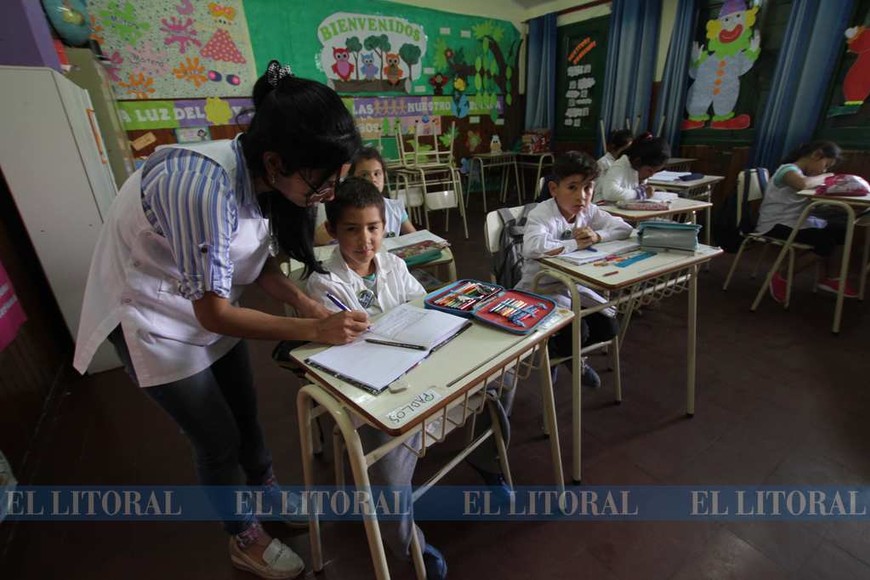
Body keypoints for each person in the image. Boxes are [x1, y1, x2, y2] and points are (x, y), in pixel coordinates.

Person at [72, 60, 370, 580]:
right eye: (321, 184)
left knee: (247, 416)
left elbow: (254, 264)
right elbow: (215, 312)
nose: (325, 195)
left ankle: (267, 496)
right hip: (153, 317)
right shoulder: (200, 188)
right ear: (276, 162)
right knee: (216, 438)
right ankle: (243, 535)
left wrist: (308, 305)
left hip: (209, 305)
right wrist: (312, 330)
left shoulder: (257, 174)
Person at [305, 177, 447, 580]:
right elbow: (351, 343)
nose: (365, 240)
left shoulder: (395, 265)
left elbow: (421, 306)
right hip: (366, 387)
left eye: (373, 228)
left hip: (413, 368)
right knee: (385, 457)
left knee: (492, 381)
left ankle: (490, 462)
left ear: (386, 226)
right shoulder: (323, 282)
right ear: (332, 231)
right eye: (351, 229)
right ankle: (407, 545)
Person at [517, 151, 633, 387]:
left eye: (588, 188)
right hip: (540, 288)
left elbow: (623, 228)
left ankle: (566, 356)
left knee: (609, 327)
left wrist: (598, 236)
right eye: (572, 187)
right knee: (577, 332)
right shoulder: (542, 213)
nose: (582, 196)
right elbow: (532, 247)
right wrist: (575, 243)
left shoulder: (588, 211)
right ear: (553, 189)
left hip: (573, 286)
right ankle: (564, 355)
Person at [753, 140, 857, 302]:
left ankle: (832, 278)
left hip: (795, 222)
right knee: (825, 243)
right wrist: (826, 177)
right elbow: (802, 185)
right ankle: (782, 275)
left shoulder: (804, 174)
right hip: (776, 225)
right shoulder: (787, 169)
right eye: (825, 165)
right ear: (816, 155)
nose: (824, 170)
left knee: (841, 229)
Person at [313, 146, 415, 244]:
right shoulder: (344, 208)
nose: (373, 179)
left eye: (377, 173)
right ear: (351, 178)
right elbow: (317, 240)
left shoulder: (395, 208)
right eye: (364, 175)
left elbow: (416, 237)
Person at [594, 133, 671, 202]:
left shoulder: (638, 170)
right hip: (606, 211)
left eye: (655, 172)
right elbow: (609, 193)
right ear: (637, 162)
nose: (651, 175)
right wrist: (640, 193)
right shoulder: (619, 166)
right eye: (650, 171)